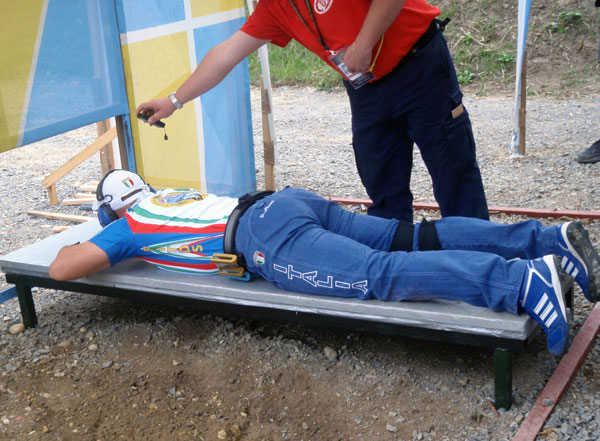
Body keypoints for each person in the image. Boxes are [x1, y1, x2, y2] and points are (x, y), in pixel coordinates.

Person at [50, 170, 600, 356]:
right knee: (409, 237)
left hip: (265, 238)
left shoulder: (128, 225)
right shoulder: (167, 193)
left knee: (375, 276)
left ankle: (520, 283)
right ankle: (544, 241)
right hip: (282, 202)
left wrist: (79, 241)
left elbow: (63, 270)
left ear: (109, 210)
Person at [135, 0, 489, 224]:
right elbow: (225, 55)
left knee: (452, 171)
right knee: (382, 181)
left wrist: (363, 44)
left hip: (419, 65)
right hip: (365, 85)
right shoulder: (274, 8)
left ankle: (482, 262)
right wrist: (174, 101)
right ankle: (396, 263)